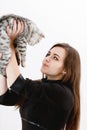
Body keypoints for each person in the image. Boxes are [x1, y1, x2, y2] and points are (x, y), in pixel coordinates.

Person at [0, 20, 81, 130]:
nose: (47, 58)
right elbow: (5, 98)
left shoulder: (62, 94)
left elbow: (18, 84)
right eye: (48, 54)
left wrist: (9, 44)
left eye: (55, 58)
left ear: (66, 69)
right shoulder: (40, 87)